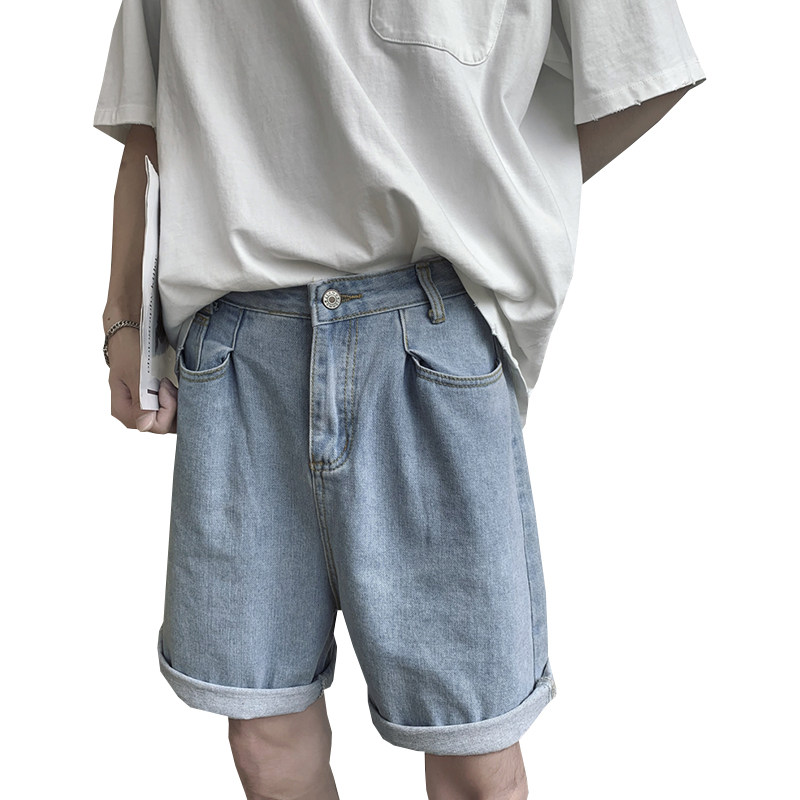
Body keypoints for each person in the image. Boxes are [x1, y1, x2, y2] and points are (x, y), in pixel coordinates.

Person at [95, 2, 706, 798]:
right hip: (240, 346)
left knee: (473, 750)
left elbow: (644, 67)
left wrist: (492, 190)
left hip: (425, 339)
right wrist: (123, 319)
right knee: (264, 735)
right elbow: (150, 119)